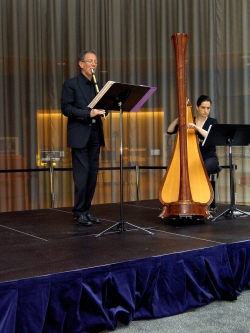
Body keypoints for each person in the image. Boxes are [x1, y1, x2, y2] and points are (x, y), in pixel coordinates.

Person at [61, 50, 108, 226]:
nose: (94, 64)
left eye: (95, 61)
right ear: (81, 64)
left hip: (96, 134)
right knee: (82, 175)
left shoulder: (98, 86)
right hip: (80, 134)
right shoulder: (71, 84)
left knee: (92, 174)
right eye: (90, 61)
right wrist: (89, 113)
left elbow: (104, 107)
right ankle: (78, 212)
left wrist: (106, 109)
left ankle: (86, 211)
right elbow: (66, 109)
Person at [167, 95, 219, 176]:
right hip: (192, 158)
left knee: (203, 168)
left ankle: (204, 188)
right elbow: (169, 131)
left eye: (208, 108)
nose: (206, 111)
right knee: (178, 169)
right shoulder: (190, 120)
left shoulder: (213, 122)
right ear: (197, 107)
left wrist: (196, 127)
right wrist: (177, 120)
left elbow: (211, 136)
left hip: (209, 158)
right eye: (203, 107)